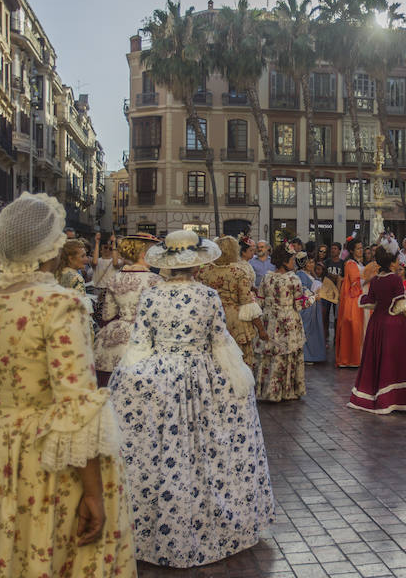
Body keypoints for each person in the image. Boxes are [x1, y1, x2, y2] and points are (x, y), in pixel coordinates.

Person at [0, 193, 136, 574]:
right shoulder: (59, 304)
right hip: (42, 462)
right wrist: (93, 492)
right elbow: (76, 405)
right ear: (51, 249)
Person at [109, 229, 274, 566]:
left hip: (159, 377)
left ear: (168, 264)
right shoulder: (207, 296)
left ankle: (158, 526)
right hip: (202, 377)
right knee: (204, 447)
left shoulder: (152, 296)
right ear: (196, 263)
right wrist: (237, 376)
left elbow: (140, 344)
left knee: (162, 447)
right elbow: (220, 342)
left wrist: (126, 381)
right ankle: (205, 519)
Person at [348, 236, 406, 414]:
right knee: (391, 361)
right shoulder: (395, 279)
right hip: (393, 325)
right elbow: (401, 305)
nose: (400, 262)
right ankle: (391, 399)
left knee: (377, 360)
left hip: (376, 323)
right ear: (392, 263)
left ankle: (375, 394)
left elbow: (369, 300)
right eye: (398, 259)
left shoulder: (376, 279)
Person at [93, 234, 163, 387]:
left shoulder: (115, 278)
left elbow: (107, 314)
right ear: (144, 254)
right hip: (145, 338)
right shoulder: (156, 281)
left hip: (117, 338)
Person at [255, 242, 317, 400]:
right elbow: (299, 304)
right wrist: (313, 297)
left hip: (269, 322)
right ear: (285, 261)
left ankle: (267, 391)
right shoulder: (293, 279)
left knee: (270, 355)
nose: (293, 262)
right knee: (287, 356)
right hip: (288, 323)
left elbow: (259, 302)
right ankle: (286, 391)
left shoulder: (266, 278)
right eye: (292, 259)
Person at [197, 236, 267, 368]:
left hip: (212, 318)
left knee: (216, 361)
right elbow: (248, 304)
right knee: (239, 363)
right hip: (236, 321)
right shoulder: (239, 272)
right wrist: (261, 330)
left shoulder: (205, 271)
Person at [336, 238, 371, 368]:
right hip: (354, 300)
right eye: (358, 248)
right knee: (355, 328)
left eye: (362, 248)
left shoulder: (360, 264)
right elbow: (355, 283)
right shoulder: (350, 264)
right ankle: (352, 358)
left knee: (363, 327)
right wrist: (369, 278)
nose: (361, 250)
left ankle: (361, 357)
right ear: (352, 250)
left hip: (362, 297)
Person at [295, 252, 327, 363]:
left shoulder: (311, 274)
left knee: (313, 330)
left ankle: (314, 355)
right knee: (307, 330)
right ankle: (306, 356)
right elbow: (302, 290)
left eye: (313, 261)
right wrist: (313, 294)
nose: (311, 264)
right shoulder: (300, 274)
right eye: (309, 262)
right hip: (308, 307)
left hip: (314, 305)